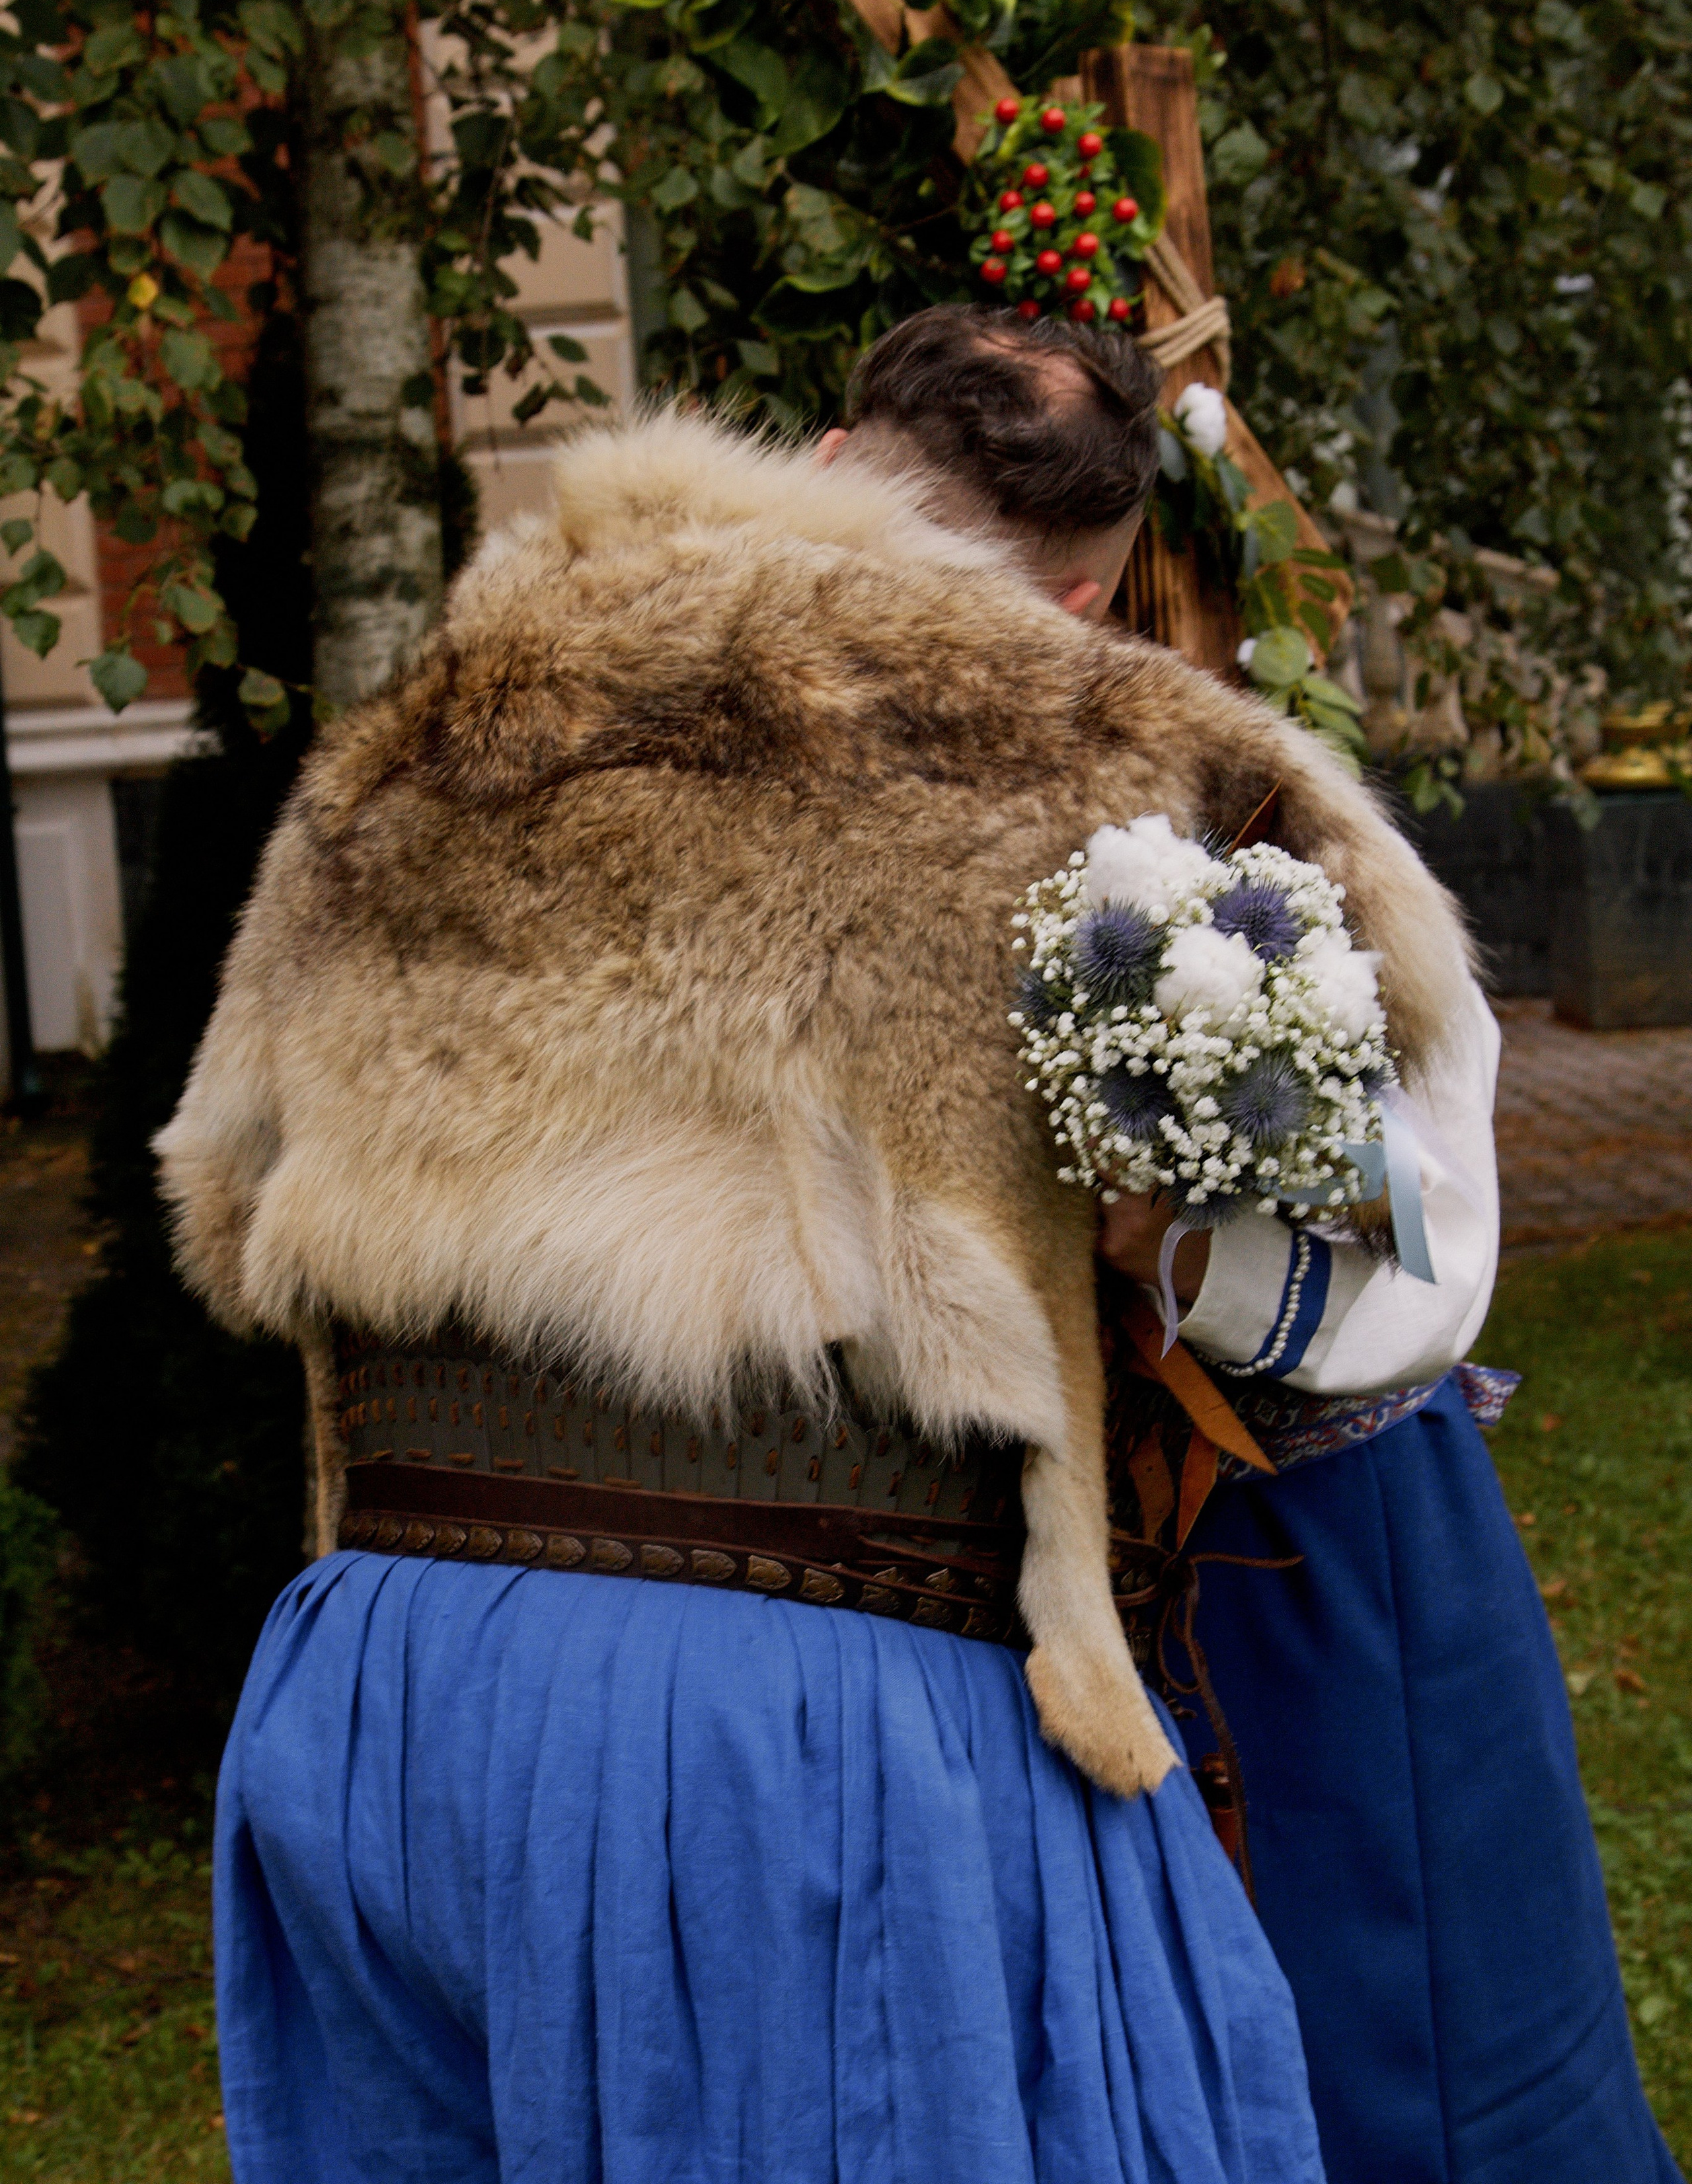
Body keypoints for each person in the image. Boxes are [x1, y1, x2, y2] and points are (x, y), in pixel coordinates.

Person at [167, 306, 1377, 2184]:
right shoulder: (1093, 729)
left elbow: (226, 1201)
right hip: (787, 1724)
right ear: (1074, 604)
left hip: (381, 1682)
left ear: (820, 465)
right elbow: (1404, 1063)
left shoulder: (434, 709)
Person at [834, 311, 1682, 2184]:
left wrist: (1177, 1221)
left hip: (1310, 1574)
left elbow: (1419, 1224)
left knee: (1406, 2084)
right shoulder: (736, 801)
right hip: (955, 1623)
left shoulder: (1237, 822)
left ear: (1081, 600)